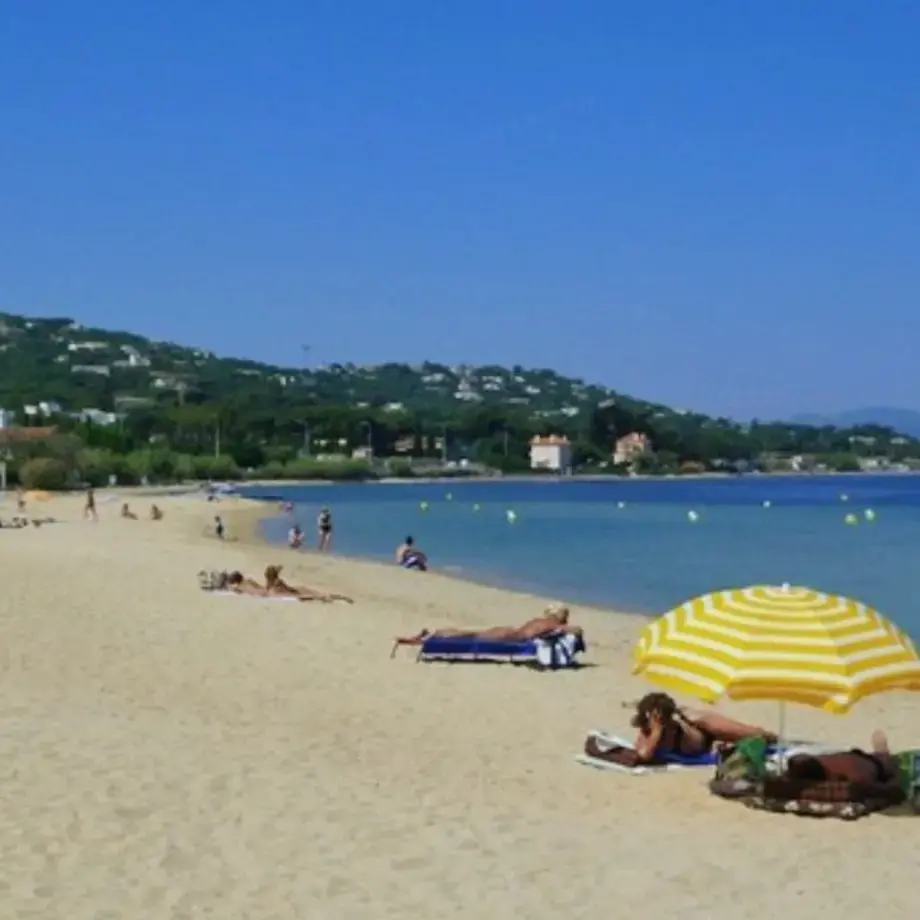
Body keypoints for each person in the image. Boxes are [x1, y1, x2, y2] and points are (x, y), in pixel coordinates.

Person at [585, 692, 776, 765]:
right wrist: (657, 730)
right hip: (702, 742)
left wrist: (662, 727)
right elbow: (643, 755)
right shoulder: (649, 731)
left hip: (701, 728)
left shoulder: (680, 724)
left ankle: (768, 734)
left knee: (754, 735)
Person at [392, 603, 577, 653]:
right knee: (470, 637)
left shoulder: (540, 621)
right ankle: (433, 636)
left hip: (508, 631)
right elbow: (575, 631)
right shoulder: (553, 625)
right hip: (509, 637)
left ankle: (435, 633)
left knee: (471, 634)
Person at [785, 730, 899, 784]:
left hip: (863, 763)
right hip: (869, 764)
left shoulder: (828, 771)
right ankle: (882, 750)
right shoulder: (827, 766)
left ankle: (882, 750)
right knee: (882, 749)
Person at [263, 565, 353, 603]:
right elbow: (288, 589)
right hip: (288, 595)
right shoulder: (277, 581)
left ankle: (339, 598)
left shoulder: (270, 582)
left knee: (312, 595)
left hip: (284, 595)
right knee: (313, 596)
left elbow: (269, 590)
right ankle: (339, 598)